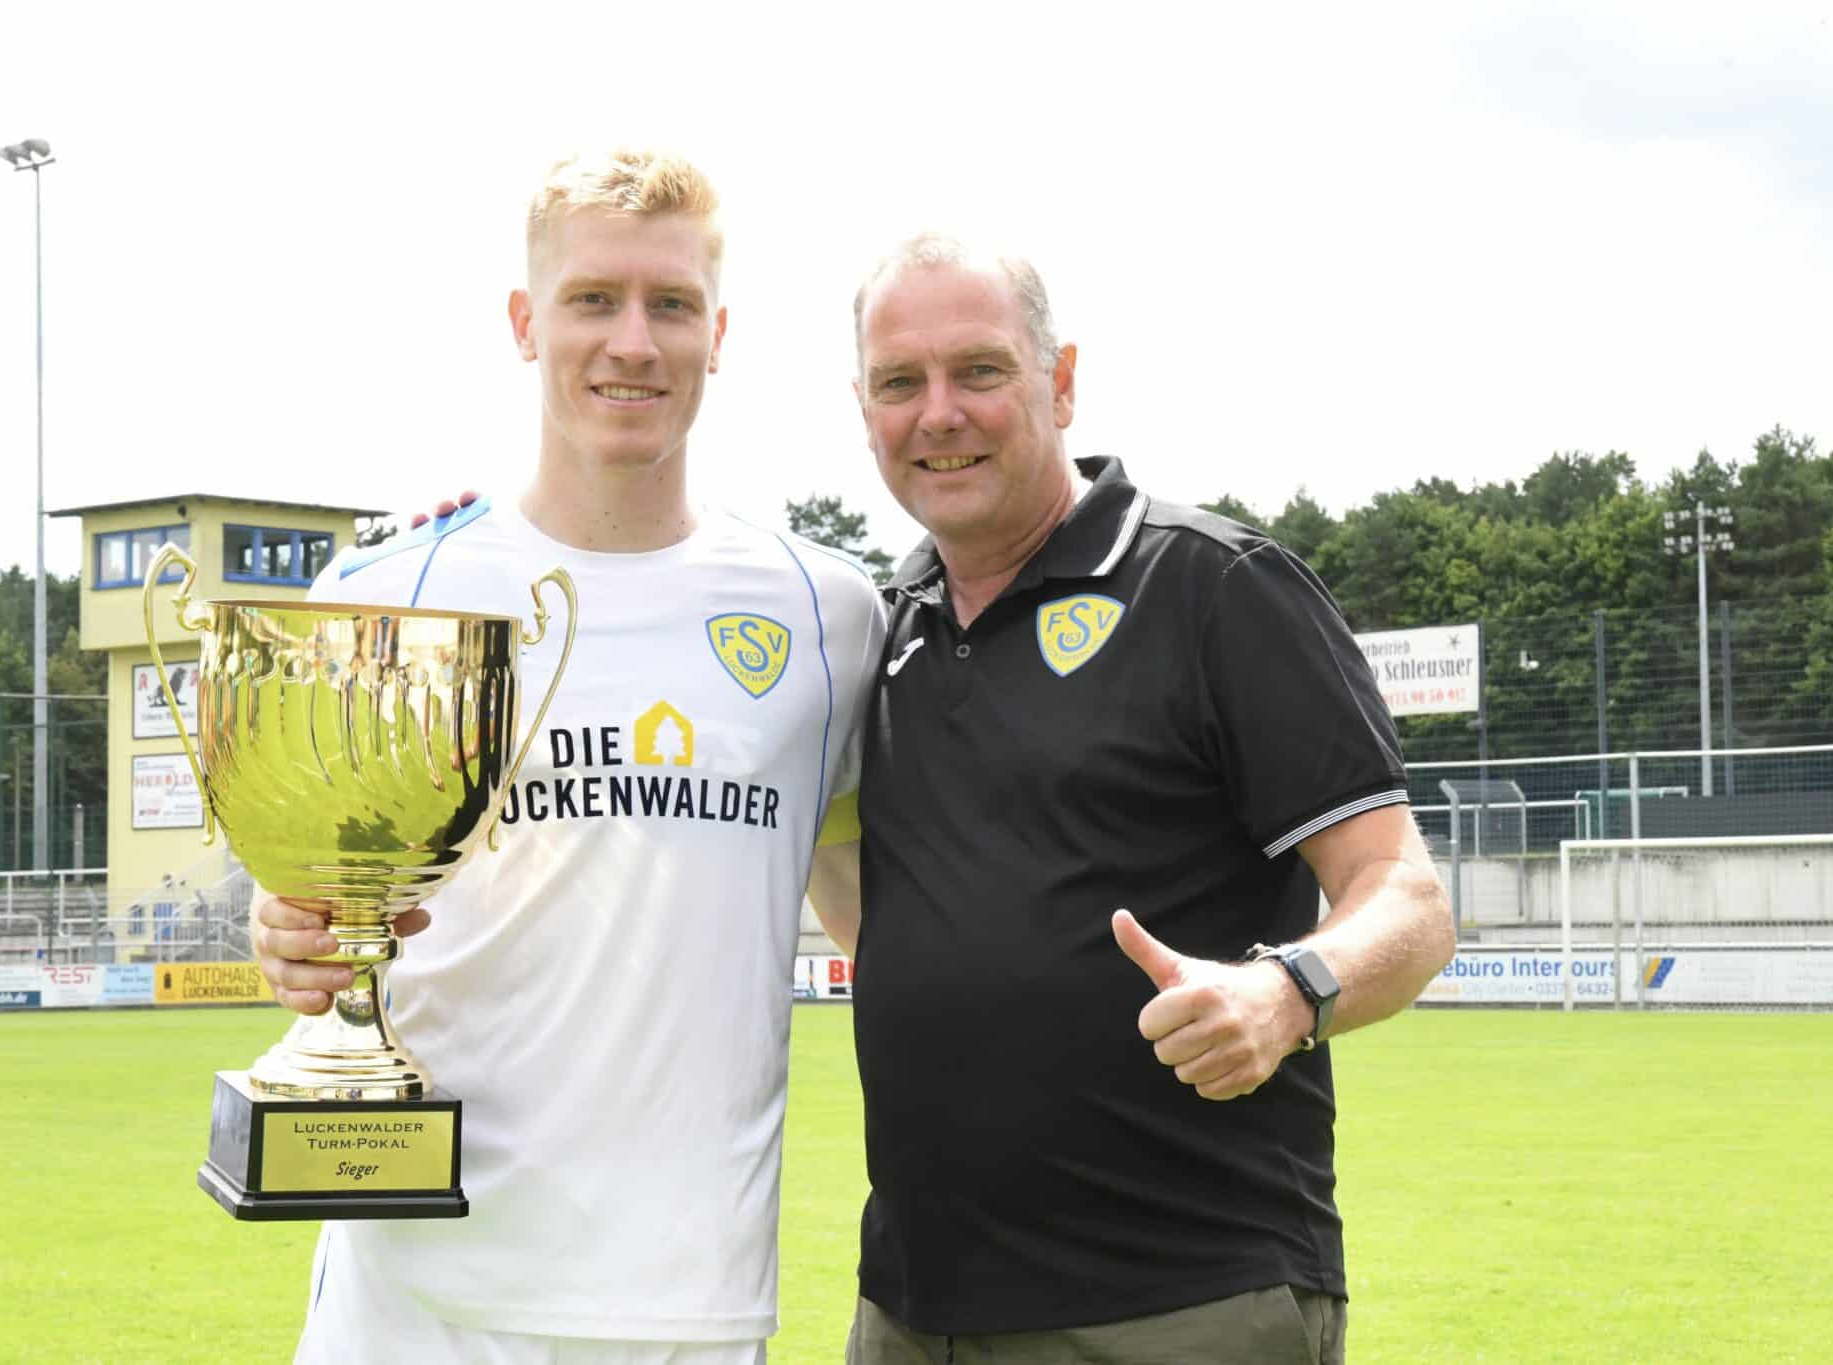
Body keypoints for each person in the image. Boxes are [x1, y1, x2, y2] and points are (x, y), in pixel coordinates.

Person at [250, 150, 884, 1365]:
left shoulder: (827, 613)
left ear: (718, 334)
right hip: (414, 1291)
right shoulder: (388, 595)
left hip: (687, 1300)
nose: (632, 342)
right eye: (593, 298)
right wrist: (286, 933)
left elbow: (875, 912)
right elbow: (315, 904)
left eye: (671, 304)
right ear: (523, 322)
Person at [842, 235, 1457, 1364]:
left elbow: (1405, 896)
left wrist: (1286, 993)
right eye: (899, 382)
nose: (938, 413)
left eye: (978, 370)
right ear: (864, 408)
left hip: (1178, 1308)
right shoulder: (875, 635)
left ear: (1060, 381)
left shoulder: (1215, 587)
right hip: (912, 1312)